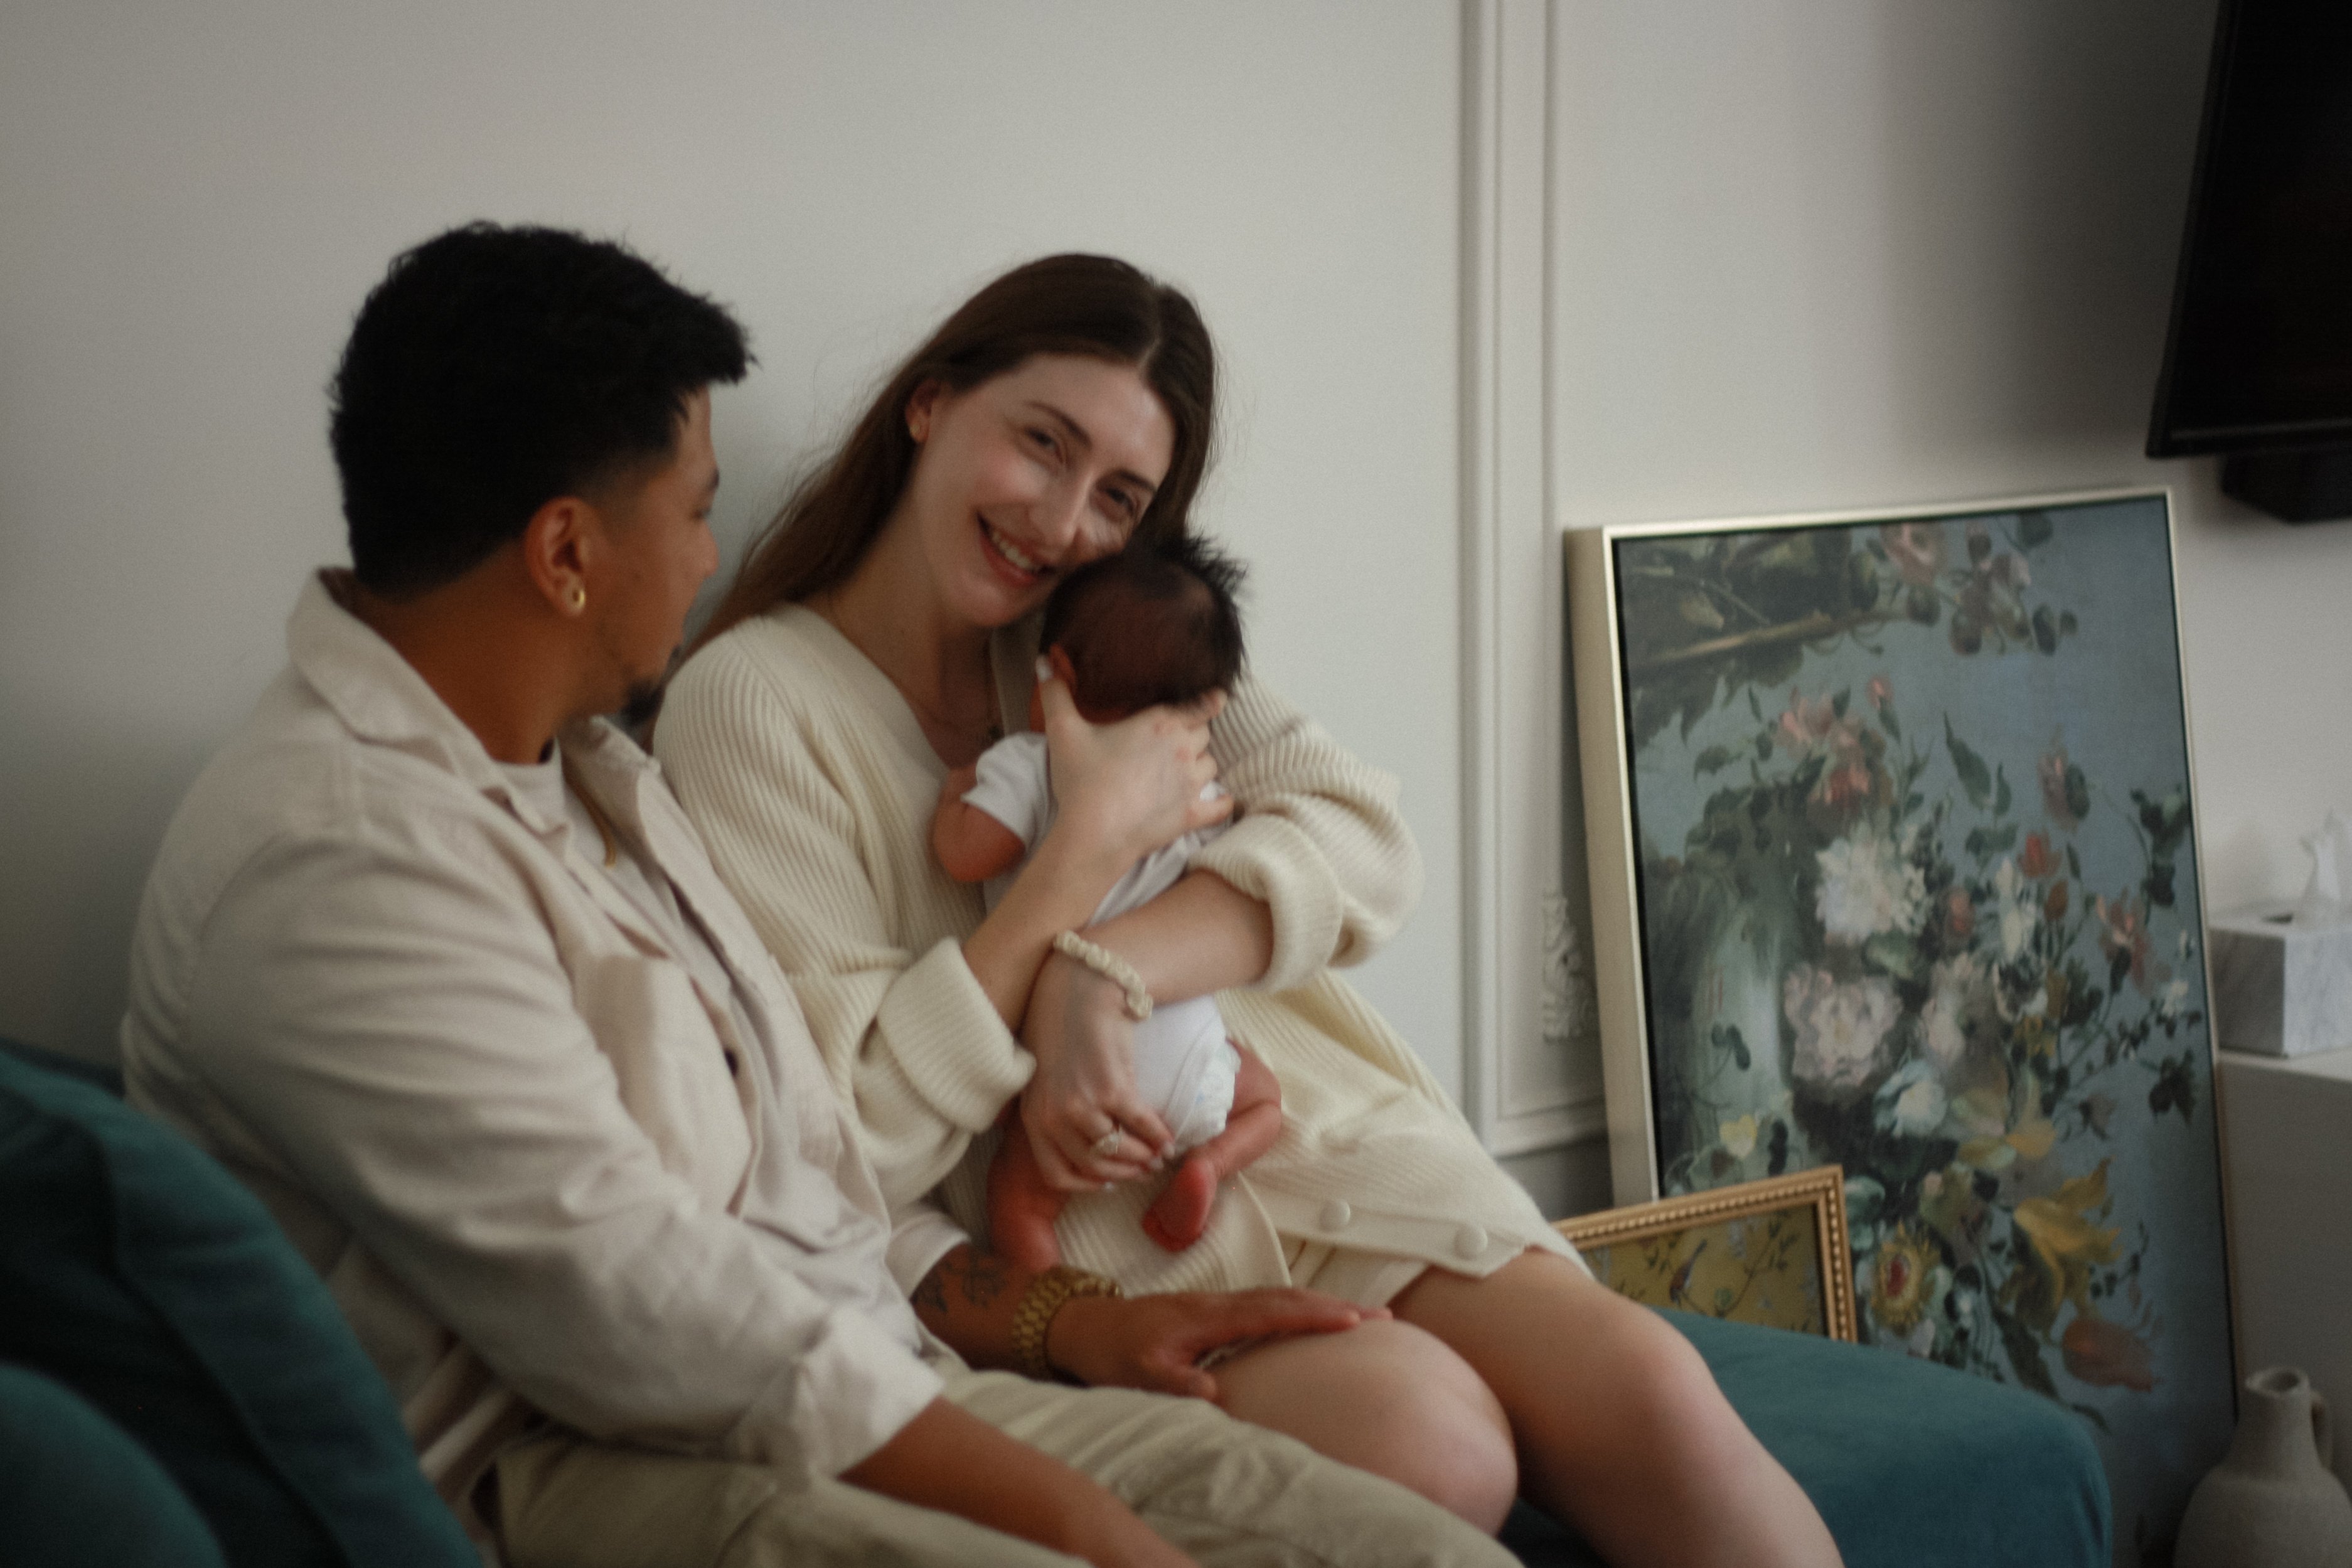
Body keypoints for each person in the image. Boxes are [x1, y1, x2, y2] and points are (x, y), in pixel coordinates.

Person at [117, 223, 1532, 1568]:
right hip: (624, 1467)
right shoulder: (341, 862)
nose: (710, 561)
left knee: (1406, 1543)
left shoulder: (590, 783)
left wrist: (1054, 1322)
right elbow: (644, 1305)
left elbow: (812, 1176)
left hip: (869, 1372)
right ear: (563, 553)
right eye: (694, 512)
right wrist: (1098, 1529)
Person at [653, 252, 1844, 1566]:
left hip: (1324, 1150)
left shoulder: (1113, 627)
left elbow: (1360, 837)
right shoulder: (753, 701)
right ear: (929, 405)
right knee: (1432, 1444)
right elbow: (844, 1125)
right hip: (1108, 1246)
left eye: (1119, 494)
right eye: (1038, 445)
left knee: (1661, 1399)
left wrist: (1097, 975)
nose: (1060, 524)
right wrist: (1074, 863)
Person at [934, 534, 1285, 1269]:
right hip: (1188, 1062)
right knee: (1265, 1098)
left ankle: (1057, 1312)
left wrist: (954, 794)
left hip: (1062, 1073)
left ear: (1053, 675)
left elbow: (966, 855)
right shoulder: (1201, 791)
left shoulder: (1029, 765)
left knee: (1021, 1200)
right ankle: (1208, 1165)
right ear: (1202, 708)